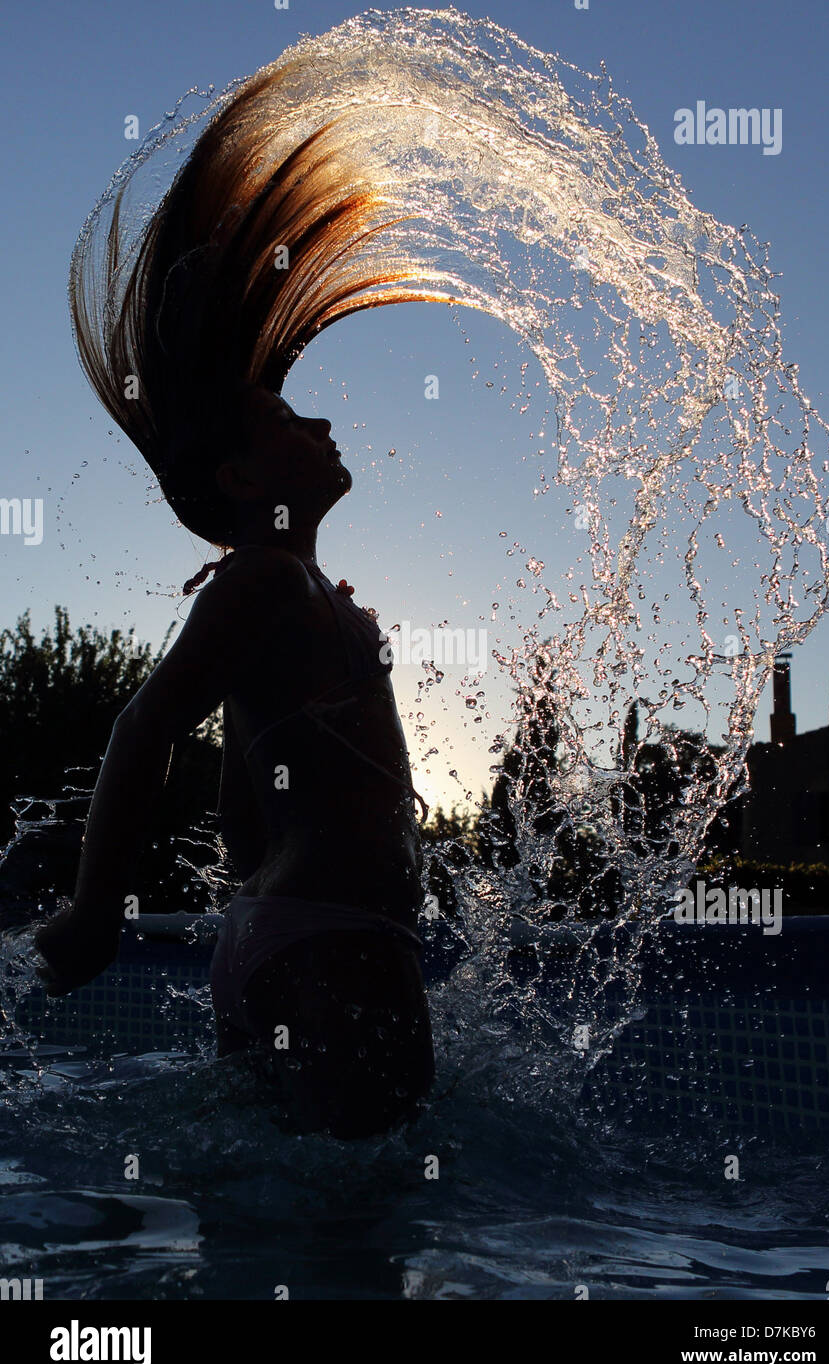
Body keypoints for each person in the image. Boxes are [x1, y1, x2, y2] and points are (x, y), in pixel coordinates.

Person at [32, 60, 472, 1138]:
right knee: (355, 1237)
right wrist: (96, 913)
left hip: (296, 933)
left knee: (293, 1222)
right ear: (240, 480)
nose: (319, 429)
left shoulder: (299, 590)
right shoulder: (266, 579)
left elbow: (241, 797)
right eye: (287, 419)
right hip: (328, 941)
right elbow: (144, 722)